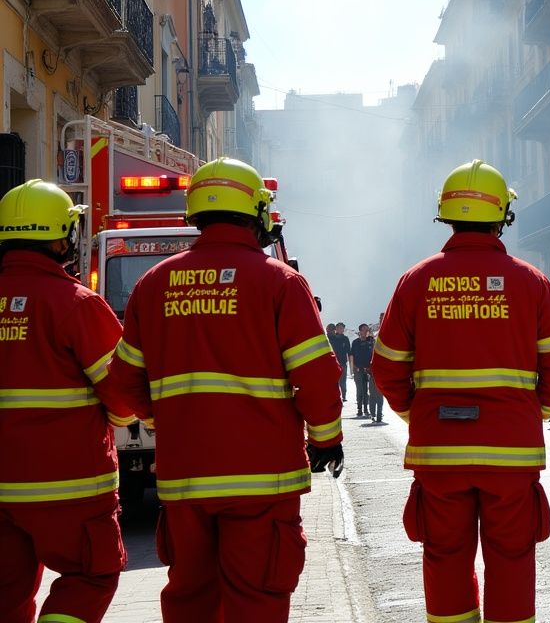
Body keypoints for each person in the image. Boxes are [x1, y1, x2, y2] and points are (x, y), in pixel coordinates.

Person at [107, 158, 344, 622]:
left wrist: (164, 418)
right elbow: (315, 376)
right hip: (263, 478)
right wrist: (326, 439)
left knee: (191, 599)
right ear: (258, 214)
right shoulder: (281, 282)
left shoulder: (153, 284)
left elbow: (123, 381)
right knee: (256, 597)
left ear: (196, 214)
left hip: (184, 478)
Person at [369, 159, 550, 623]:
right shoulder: (531, 281)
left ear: (446, 214)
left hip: (440, 451)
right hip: (511, 452)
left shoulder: (416, 280)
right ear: (503, 215)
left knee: (444, 557)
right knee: (512, 557)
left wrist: (415, 413)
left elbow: (385, 367)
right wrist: (534, 412)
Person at [0, 180, 136, 623]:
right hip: (69, 486)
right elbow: (121, 394)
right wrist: (121, 415)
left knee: (6, 593)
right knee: (91, 576)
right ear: (65, 236)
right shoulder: (75, 304)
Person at [350, 323, 380, 424]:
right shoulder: (355, 342)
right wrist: (354, 368)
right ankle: (360, 409)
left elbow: (376, 353)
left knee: (370, 391)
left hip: (370, 370)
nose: (366, 331)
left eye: (367, 330)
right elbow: (352, 356)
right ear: (360, 331)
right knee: (360, 390)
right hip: (358, 369)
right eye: (364, 330)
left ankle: (367, 409)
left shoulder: (371, 341)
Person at [330, 322, 352, 404]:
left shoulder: (345, 339)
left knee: (343, 381)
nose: (340, 329)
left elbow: (349, 351)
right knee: (334, 381)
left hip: (343, 363)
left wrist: (351, 364)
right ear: (336, 329)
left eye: (342, 328)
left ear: (343, 329)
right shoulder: (331, 338)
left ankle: (344, 396)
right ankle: (335, 396)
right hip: (333, 363)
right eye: (339, 327)